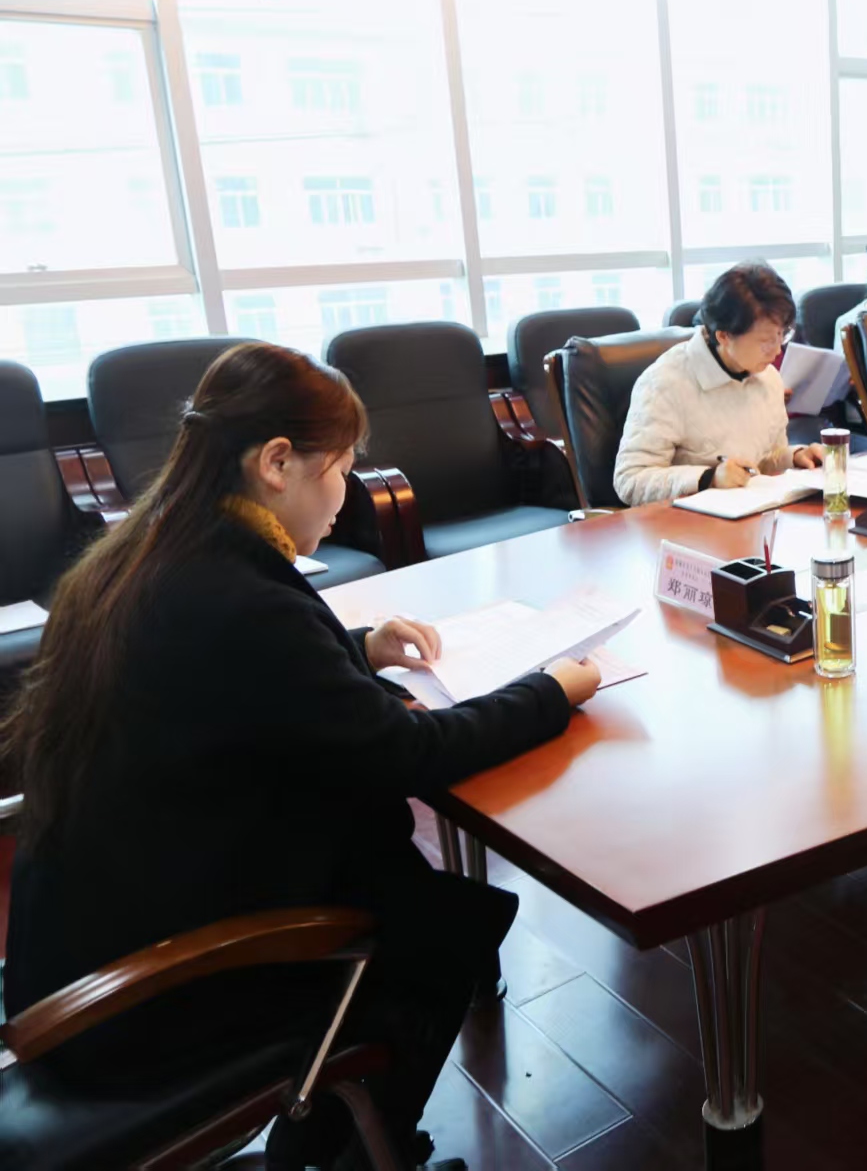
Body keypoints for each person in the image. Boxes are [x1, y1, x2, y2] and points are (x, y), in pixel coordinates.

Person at [0, 343, 602, 1169]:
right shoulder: (240, 596)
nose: (347, 492)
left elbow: (234, 675)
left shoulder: (156, 551)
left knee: (410, 890)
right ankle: (345, 1149)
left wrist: (359, 646)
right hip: (147, 997)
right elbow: (408, 753)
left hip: (82, 940)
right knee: (435, 929)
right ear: (277, 462)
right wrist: (551, 692)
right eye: (342, 468)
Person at [613, 263, 825, 505]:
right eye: (766, 341)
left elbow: (763, 462)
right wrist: (708, 478)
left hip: (751, 513)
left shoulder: (768, 377)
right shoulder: (666, 383)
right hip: (687, 521)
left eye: (782, 335)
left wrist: (795, 457)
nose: (777, 351)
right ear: (724, 335)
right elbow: (630, 479)